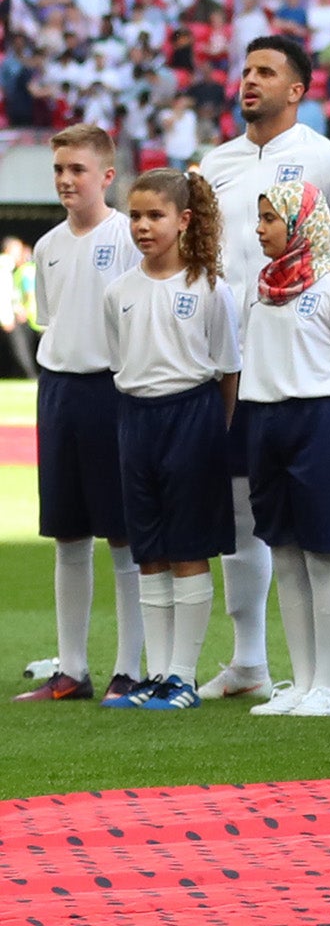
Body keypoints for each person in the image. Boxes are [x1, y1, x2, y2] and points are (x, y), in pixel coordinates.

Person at [198, 34, 330, 704]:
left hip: (307, 356)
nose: (249, 81)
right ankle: (249, 660)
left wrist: (320, 288)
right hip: (238, 359)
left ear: (297, 89)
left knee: (315, 536)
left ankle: (322, 675)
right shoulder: (216, 163)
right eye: (244, 70)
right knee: (244, 515)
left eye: (265, 72)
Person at [101, 170, 240, 712]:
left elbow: (228, 367)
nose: (142, 226)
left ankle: (182, 676)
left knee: (187, 549)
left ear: (183, 221)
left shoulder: (208, 287)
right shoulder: (120, 292)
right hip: (136, 419)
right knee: (149, 551)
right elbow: (120, 362)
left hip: (193, 416)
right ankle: (155, 675)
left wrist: (211, 429)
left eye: (155, 215)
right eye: (135, 216)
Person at [238, 183, 330, 719]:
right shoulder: (259, 289)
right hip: (264, 420)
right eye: (260, 217)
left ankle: (327, 685)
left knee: (323, 551)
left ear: (300, 224)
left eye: (270, 218)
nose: (260, 228)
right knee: (283, 551)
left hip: (320, 419)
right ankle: (299, 681)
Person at [17, 125, 142, 706]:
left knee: (122, 534)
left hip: (112, 389)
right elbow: (49, 319)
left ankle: (129, 668)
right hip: (59, 391)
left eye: (79, 170)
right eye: (59, 170)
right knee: (67, 532)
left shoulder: (128, 238)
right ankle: (71, 669)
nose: (67, 179)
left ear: (108, 176)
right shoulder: (46, 246)